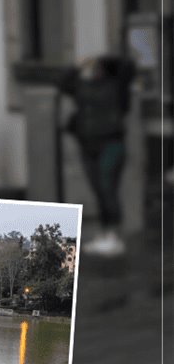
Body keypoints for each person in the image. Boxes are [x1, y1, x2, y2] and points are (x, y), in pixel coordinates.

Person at [61, 55, 136, 257]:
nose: (96, 70)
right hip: (87, 145)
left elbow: (128, 66)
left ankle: (114, 235)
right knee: (99, 190)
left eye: (100, 68)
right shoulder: (84, 88)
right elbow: (64, 83)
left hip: (111, 144)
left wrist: (106, 58)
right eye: (95, 68)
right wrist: (78, 64)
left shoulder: (117, 88)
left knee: (107, 186)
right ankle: (106, 234)